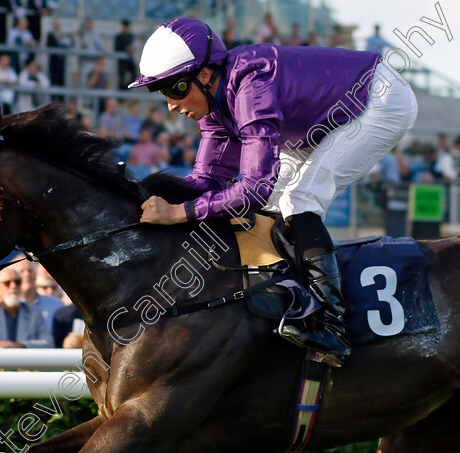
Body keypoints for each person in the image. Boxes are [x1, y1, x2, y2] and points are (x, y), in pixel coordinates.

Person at [128, 18, 418, 367]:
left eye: (175, 88)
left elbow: (252, 188)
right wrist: (140, 199)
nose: (171, 104)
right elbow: (207, 179)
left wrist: (180, 213)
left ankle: (331, 324)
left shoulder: (251, 85)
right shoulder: (216, 103)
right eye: (161, 93)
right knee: (276, 206)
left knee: (300, 199)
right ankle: (291, 302)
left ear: (205, 75)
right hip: (321, 121)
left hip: (378, 100)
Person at [0, 268, 53, 348]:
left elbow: (48, 343)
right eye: (7, 283)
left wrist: (20, 346)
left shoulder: (35, 312)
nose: (13, 286)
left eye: (18, 282)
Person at [9, 261, 62, 333]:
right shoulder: (4, 307)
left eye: (30, 270)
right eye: (21, 271)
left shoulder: (56, 304)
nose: (27, 274)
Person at [114, 19, 137, 90]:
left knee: (134, 74)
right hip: (121, 61)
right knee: (122, 77)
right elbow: (116, 48)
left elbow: (134, 47)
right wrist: (125, 48)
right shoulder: (118, 37)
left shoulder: (130, 36)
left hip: (129, 59)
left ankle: (126, 89)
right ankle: (121, 92)